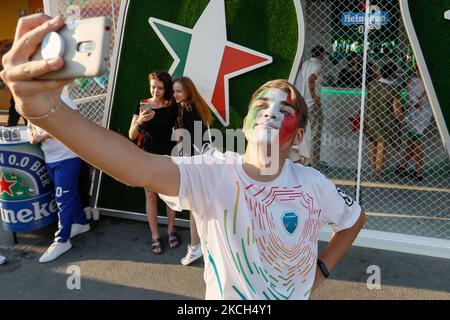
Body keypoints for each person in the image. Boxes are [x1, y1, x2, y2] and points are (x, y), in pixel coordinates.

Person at [1, 14, 366, 299]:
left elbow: (353, 219)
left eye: (285, 110)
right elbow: (135, 166)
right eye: (262, 104)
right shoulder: (214, 171)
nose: (271, 111)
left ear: (299, 135)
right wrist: (43, 110)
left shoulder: (314, 185)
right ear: (246, 122)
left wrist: (321, 272)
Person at [28, 96, 90, 263]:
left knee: (63, 198)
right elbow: (32, 126)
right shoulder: (32, 102)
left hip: (67, 157)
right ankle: (81, 222)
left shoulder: (64, 102)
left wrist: (44, 137)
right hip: (50, 158)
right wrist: (33, 134)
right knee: (67, 195)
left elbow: (72, 126)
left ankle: (62, 240)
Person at [128, 71, 179, 254]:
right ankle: (155, 236)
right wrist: (140, 120)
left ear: (166, 88)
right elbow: (131, 135)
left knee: (170, 196)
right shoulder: (142, 105)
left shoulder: (172, 106)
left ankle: (171, 230)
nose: (155, 91)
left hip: (168, 156)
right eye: (153, 86)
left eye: (160, 87)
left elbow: (179, 132)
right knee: (151, 197)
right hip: (147, 156)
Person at [172, 76, 213, 266]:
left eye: (178, 91)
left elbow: (184, 141)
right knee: (199, 206)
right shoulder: (196, 106)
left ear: (188, 91)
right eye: (173, 91)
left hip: (194, 163)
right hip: (204, 160)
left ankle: (196, 247)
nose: (175, 95)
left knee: (194, 207)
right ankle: (201, 245)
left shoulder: (183, 109)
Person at [364, 62, 403, 176]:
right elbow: (397, 110)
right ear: (393, 74)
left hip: (370, 118)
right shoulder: (394, 89)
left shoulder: (372, 84)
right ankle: (378, 170)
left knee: (373, 142)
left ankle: (374, 168)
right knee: (382, 143)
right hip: (386, 121)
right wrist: (401, 119)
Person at [397, 65, 433, 181]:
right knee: (411, 142)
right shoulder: (426, 81)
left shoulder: (415, 81)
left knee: (416, 144)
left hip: (417, 116)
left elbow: (412, 99)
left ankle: (419, 171)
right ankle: (403, 165)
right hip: (421, 115)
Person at [296, 45, 326, 168]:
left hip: (302, 102)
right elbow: (311, 79)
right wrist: (314, 95)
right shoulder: (318, 65)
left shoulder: (305, 64)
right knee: (315, 133)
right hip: (313, 104)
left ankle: (303, 159)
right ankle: (314, 162)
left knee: (303, 132)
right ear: (321, 54)